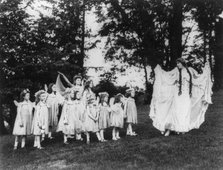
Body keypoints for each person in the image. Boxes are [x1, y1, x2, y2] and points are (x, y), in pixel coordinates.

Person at [149, 58, 213, 136]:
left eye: (178, 63)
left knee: (185, 111)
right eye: (177, 63)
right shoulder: (176, 70)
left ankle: (182, 128)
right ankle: (171, 128)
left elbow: (197, 78)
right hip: (178, 94)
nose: (177, 65)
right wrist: (160, 71)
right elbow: (167, 75)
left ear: (182, 63)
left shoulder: (190, 70)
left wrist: (206, 71)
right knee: (176, 111)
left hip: (186, 94)